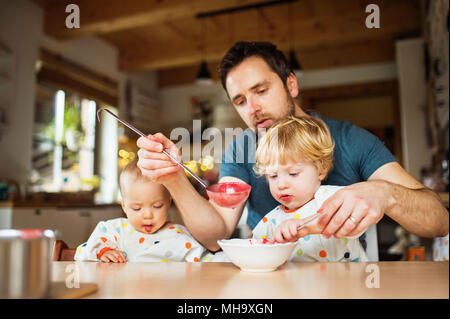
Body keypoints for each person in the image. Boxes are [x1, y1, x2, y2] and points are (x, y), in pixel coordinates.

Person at [136, 41, 448, 252]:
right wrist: (173, 179)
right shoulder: (240, 149)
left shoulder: (352, 140)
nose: (253, 108)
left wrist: (385, 193)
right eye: (241, 101)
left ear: (291, 85)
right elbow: (217, 236)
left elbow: (439, 220)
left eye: (261, 90)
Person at [252, 116, 367, 262]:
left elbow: (354, 219)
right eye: (273, 176)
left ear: (321, 169)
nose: (281, 184)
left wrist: (303, 224)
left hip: (347, 279)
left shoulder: (331, 197)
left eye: (293, 173)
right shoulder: (271, 220)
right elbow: (255, 249)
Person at [74, 159, 225, 262]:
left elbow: (210, 261)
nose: (147, 215)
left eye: (157, 206)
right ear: (124, 206)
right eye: (137, 208)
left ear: (168, 203)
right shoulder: (112, 231)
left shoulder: (179, 236)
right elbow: (82, 254)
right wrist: (104, 253)